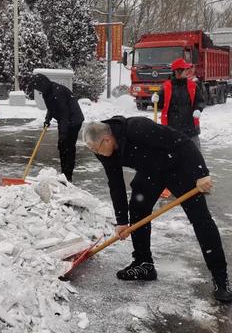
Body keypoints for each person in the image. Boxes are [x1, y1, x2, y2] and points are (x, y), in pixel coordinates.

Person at [82, 116, 232, 304]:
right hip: (151, 171)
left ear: (106, 139)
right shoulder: (103, 149)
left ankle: (220, 278)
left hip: (178, 168)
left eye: (97, 149)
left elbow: (184, 143)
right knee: (137, 210)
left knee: (201, 220)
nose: (97, 154)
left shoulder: (137, 128)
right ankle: (143, 263)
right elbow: (116, 183)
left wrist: (202, 174)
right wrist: (121, 221)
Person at [30, 73, 84, 182]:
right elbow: (51, 107)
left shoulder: (57, 92)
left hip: (73, 120)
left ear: (43, 84)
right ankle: (64, 173)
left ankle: (68, 176)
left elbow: (64, 113)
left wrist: (63, 134)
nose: (38, 90)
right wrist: (47, 119)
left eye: (38, 87)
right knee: (62, 147)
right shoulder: (47, 91)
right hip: (64, 119)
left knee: (68, 147)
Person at [152, 58, 205, 149]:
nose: (187, 72)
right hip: (171, 128)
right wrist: (155, 101)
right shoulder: (166, 87)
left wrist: (198, 109)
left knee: (195, 155)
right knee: (172, 156)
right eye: (185, 70)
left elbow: (200, 101)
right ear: (178, 72)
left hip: (190, 128)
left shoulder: (193, 86)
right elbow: (160, 105)